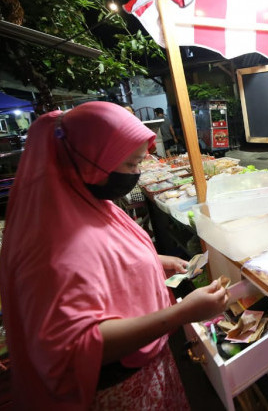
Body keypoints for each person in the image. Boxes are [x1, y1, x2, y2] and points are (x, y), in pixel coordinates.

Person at [0, 102, 229, 409]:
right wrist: (183, 312)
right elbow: (77, 346)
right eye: (131, 164)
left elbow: (106, 255)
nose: (137, 173)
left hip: (147, 366)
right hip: (116, 390)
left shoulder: (86, 200)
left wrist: (156, 261)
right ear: (91, 161)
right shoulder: (51, 245)